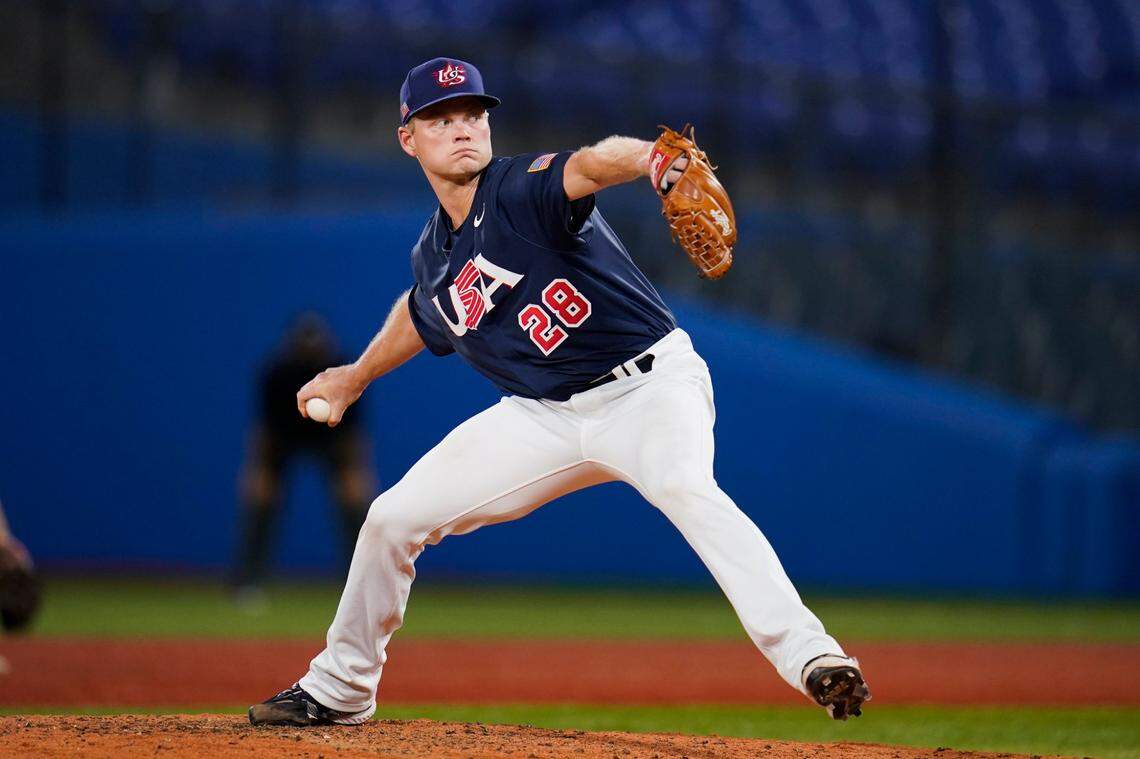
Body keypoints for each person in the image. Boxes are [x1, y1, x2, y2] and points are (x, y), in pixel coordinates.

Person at [249, 57, 869, 727]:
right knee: (392, 519)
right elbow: (423, 309)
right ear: (409, 139)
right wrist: (354, 374)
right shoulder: (434, 255)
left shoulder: (521, 189)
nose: (462, 130)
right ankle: (342, 687)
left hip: (648, 388)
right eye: (441, 119)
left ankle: (815, 657)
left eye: (473, 115)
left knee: (685, 488)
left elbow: (594, 163)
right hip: (542, 416)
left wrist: (657, 161)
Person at [233, 313, 377, 601]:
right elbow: (265, 430)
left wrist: (359, 471)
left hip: (330, 436)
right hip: (284, 440)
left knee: (355, 503)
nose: (311, 349)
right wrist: (257, 468)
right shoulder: (278, 372)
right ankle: (249, 582)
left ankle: (360, 586)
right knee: (260, 501)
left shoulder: (341, 369)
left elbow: (353, 433)